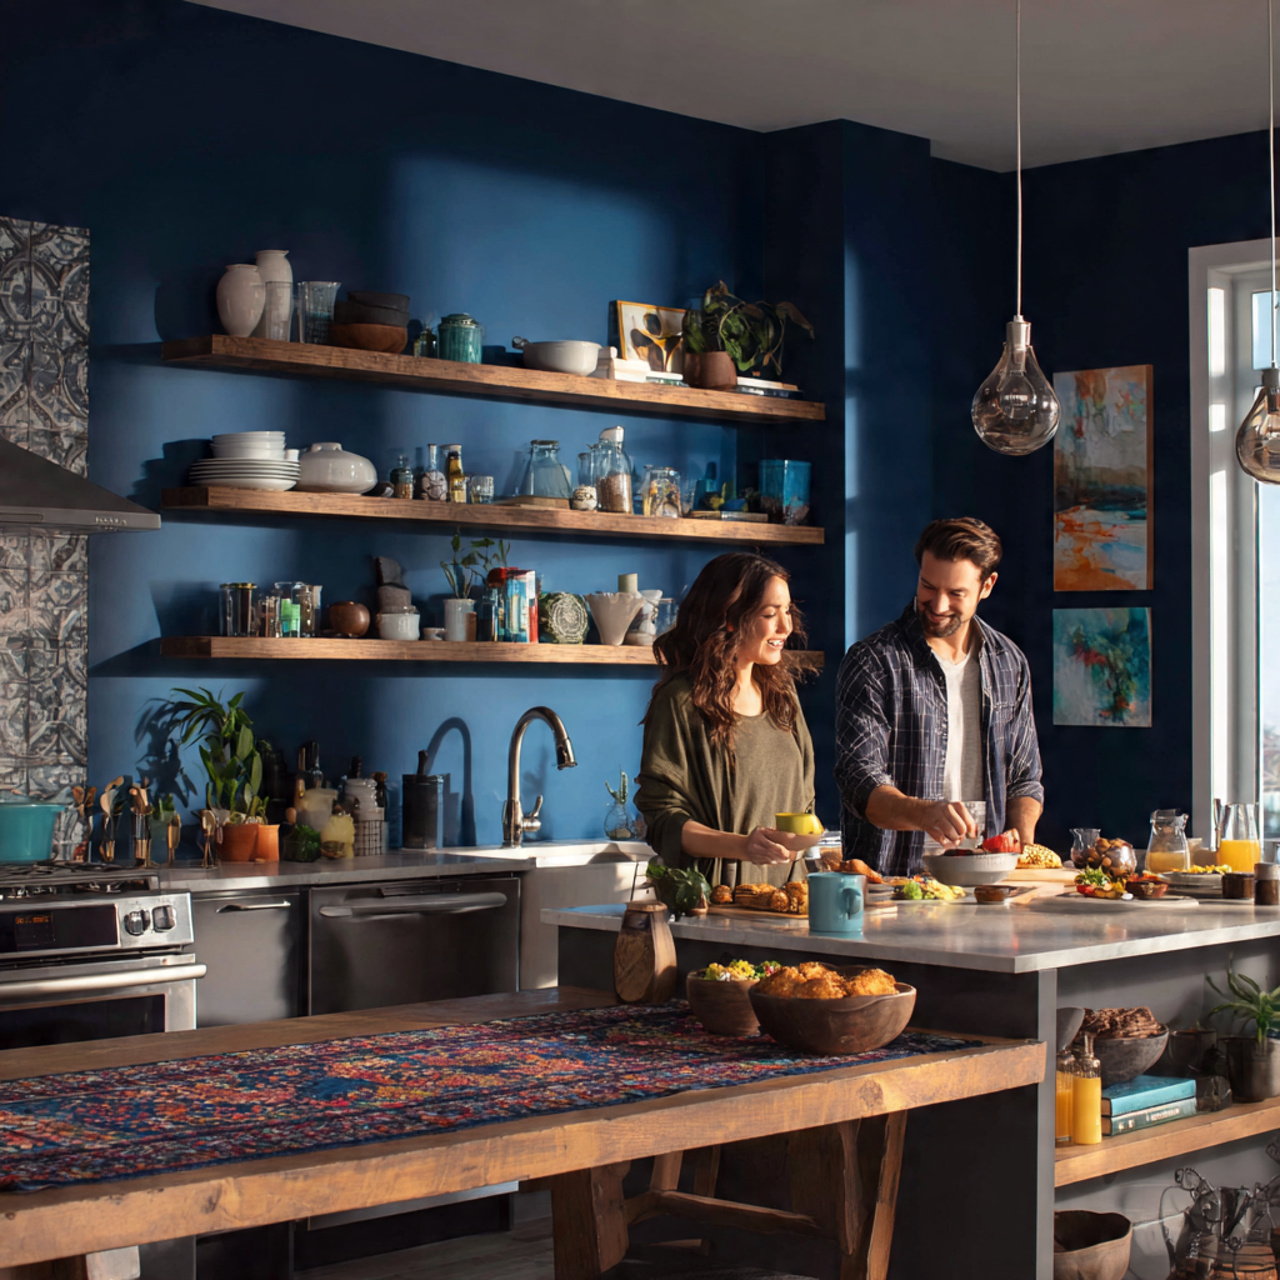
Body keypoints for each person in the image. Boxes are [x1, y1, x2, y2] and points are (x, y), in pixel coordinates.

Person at [835, 517, 1043, 876]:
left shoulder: (1010, 662)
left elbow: (1024, 777)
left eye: (956, 593)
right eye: (928, 586)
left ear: (987, 586)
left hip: (987, 883)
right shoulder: (873, 661)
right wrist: (924, 813)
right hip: (893, 884)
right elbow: (859, 779)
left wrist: (1021, 842)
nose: (938, 604)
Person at [636, 552, 819, 888]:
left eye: (788, 611)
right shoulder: (681, 701)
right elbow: (663, 820)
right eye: (769, 614)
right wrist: (744, 847)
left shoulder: (783, 696)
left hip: (788, 899)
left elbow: (803, 798)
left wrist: (802, 839)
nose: (786, 627)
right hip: (713, 903)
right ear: (729, 618)